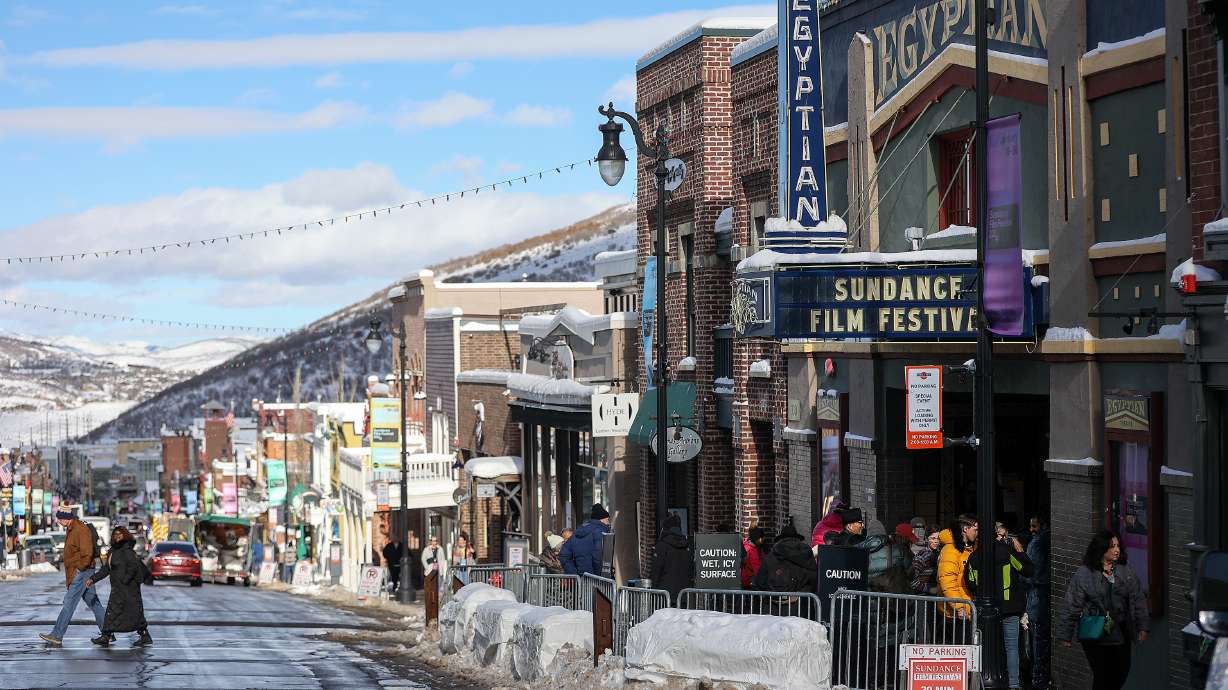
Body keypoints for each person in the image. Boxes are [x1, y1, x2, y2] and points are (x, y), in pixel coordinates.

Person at [1057, 530, 1148, 690]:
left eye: (1118, 546)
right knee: (1102, 675)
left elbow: (1138, 598)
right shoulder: (1084, 573)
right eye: (1112, 546)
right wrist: (1066, 634)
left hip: (1120, 631)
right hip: (1095, 632)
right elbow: (1071, 604)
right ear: (1101, 549)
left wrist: (1142, 626)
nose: (1117, 550)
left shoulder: (1125, 571)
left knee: (1121, 673)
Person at [966, 522, 1034, 690]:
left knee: (986, 646)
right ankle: (1013, 684)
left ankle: (982, 682)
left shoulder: (974, 557)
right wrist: (1020, 551)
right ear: (996, 535)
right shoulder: (1007, 552)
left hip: (985, 610)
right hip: (1009, 607)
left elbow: (971, 582)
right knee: (1011, 646)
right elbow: (1027, 570)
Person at [40, 509, 106, 646]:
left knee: (69, 602)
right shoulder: (71, 528)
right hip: (82, 571)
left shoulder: (80, 529)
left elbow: (87, 553)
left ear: (66, 518)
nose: (58, 521)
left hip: (83, 572)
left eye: (59, 518)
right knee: (93, 602)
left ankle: (57, 635)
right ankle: (108, 632)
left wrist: (79, 569)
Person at [85, 526, 152, 647]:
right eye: (115, 534)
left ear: (125, 536)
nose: (117, 537)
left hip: (129, 588)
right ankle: (106, 636)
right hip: (118, 588)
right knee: (113, 611)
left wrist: (125, 580)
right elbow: (106, 569)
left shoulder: (127, 550)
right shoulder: (113, 551)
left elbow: (133, 566)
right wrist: (93, 579)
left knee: (133, 612)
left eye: (120, 535)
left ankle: (143, 635)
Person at [936, 514, 978, 640]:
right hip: (956, 614)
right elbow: (948, 582)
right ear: (965, 529)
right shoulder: (951, 550)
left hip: (967, 609)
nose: (977, 533)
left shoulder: (969, 548)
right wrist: (960, 606)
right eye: (975, 529)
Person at [1025, 516, 1052, 690]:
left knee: (1038, 639)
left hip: (1037, 595)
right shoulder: (1050, 539)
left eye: (1034, 526)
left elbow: (1029, 571)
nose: (1031, 530)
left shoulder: (1037, 543)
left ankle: (1038, 679)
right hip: (1046, 593)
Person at [753, 520, 817, 593]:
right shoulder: (806, 554)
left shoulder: (772, 555)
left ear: (781, 539)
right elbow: (814, 579)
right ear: (797, 538)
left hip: (775, 601)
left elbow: (760, 581)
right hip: (802, 600)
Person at [560, 504, 611, 576]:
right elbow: (598, 556)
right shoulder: (600, 532)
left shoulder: (576, 534)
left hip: (582, 578)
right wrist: (598, 575)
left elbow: (563, 555)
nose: (608, 523)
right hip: (598, 579)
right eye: (607, 520)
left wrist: (574, 573)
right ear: (601, 520)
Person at [649, 512, 691, 600]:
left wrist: (652, 588)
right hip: (683, 594)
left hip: (664, 594)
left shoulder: (662, 546)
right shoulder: (687, 545)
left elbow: (656, 570)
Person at [910, 531, 942, 595]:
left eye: (938, 538)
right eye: (933, 538)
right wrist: (929, 589)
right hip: (922, 597)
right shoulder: (921, 556)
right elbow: (912, 581)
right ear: (926, 539)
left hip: (937, 596)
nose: (936, 541)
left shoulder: (940, 554)